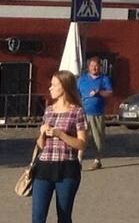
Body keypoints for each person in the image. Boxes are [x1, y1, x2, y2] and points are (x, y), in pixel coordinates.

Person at [31, 71, 89, 223]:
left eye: (54, 85)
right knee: (37, 217)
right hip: (44, 167)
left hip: (67, 168)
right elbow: (40, 145)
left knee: (64, 216)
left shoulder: (77, 112)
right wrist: (42, 134)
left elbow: (82, 143)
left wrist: (60, 134)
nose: (50, 88)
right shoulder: (49, 110)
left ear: (64, 87)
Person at [76, 57, 112, 170]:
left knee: (98, 138)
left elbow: (109, 92)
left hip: (97, 113)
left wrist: (99, 92)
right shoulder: (81, 80)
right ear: (88, 67)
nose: (94, 68)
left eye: (96, 66)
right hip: (83, 113)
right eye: (92, 66)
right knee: (82, 137)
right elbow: (76, 94)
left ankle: (97, 160)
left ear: (100, 67)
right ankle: (78, 160)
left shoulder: (104, 79)